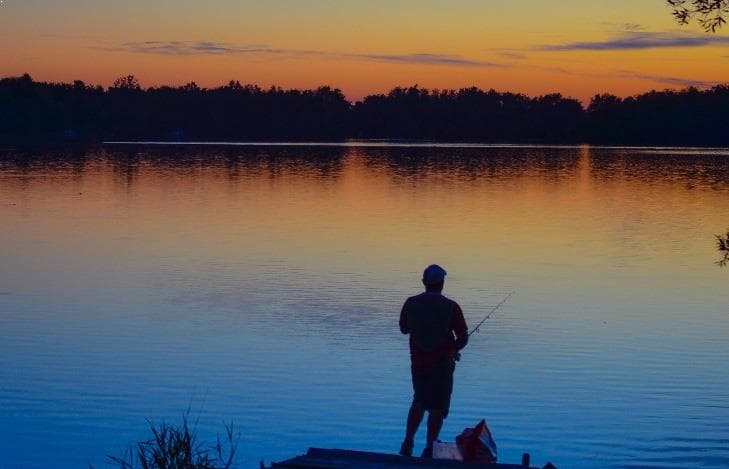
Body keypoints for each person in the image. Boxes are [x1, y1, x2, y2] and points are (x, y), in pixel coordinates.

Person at [399, 264, 468, 458]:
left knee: (419, 400)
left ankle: (408, 441)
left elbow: (404, 328)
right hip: (443, 365)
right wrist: (454, 348)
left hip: (418, 362)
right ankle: (430, 447)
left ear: (424, 283)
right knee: (438, 406)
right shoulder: (451, 307)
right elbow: (463, 336)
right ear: (442, 284)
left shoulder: (410, 303)